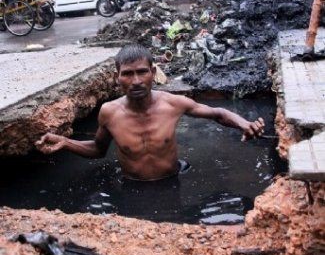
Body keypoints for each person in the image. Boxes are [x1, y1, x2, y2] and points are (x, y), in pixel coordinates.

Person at [35, 44, 265, 181]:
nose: (135, 81)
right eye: (127, 73)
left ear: (153, 72)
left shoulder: (174, 104)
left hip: (173, 181)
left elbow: (217, 113)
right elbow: (98, 150)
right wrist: (65, 142)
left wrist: (243, 123)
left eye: (142, 72)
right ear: (117, 77)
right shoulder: (109, 112)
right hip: (132, 186)